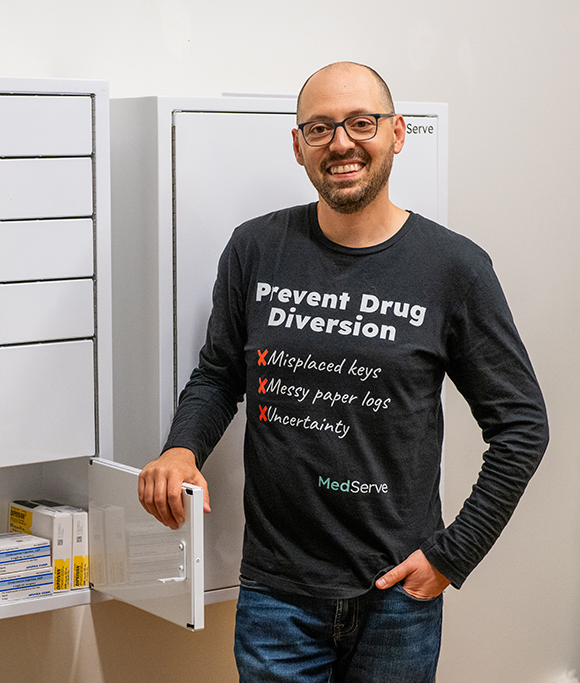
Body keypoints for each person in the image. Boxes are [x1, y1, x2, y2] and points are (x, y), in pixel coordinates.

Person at [137, 62, 548, 682]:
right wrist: (180, 448)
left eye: (362, 123)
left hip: (397, 598)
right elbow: (221, 374)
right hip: (278, 595)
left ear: (398, 133)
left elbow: (521, 424)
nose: (342, 143)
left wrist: (454, 554)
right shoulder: (255, 249)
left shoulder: (453, 268)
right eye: (321, 128)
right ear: (298, 145)